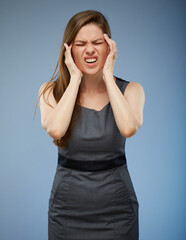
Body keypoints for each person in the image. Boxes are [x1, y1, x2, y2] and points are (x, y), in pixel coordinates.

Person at [38, 10, 145, 240]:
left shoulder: (132, 90)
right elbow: (55, 130)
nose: (90, 49)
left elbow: (128, 128)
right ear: (68, 49)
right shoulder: (50, 91)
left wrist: (108, 76)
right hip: (67, 211)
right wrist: (75, 78)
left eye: (98, 42)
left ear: (109, 47)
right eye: (80, 44)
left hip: (117, 210)